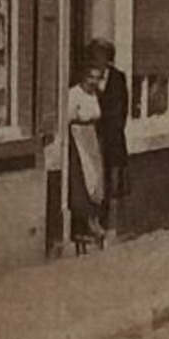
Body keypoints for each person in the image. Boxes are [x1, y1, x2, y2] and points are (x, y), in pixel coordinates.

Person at [85, 38, 131, 228]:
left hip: (111, 136)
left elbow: (122, 108)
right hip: (92, 136)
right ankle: (92, 220)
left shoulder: (118, 78)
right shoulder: (88, 78)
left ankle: (109, 224)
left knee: (111, 181)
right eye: (94, 58)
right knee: (93, 178)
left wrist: (108, 126)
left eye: (101, 58)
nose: (98, 62)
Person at [66, 62, 107, 252]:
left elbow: (97, 115)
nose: (94, 82)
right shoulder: (74, 94)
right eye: (91, 77)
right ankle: (82, 224)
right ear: (83, 76)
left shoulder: (94, 95)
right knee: (84, 176)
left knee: (96, 178)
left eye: (98, 78)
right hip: (78, 137)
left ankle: (94, 220)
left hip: (92, 137)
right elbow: (68, 119)